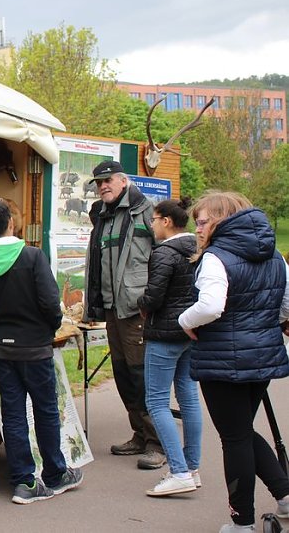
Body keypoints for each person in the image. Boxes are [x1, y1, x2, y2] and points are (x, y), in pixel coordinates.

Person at [178, 191, 289, 532]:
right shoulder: (275, 255)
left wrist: (186, 321)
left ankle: (242, 522)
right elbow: (286, 305)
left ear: (222, 220)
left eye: (202, 221)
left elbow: (211, 306)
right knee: (240, 431)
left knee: (234, 438)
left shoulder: (216, 257)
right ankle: (285, 495)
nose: (197, 228)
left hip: (223, 360)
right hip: (263, 355)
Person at [0, 197, 83, 504]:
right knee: (45, 412)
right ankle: (56, 475)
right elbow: (49, 303)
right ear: (12, 223)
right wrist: (47, 328)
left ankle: (24, 483)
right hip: (36, 349)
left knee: (13, 415)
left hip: (3, 352)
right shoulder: (32, 256)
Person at [84, 160, 165, 469]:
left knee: (142, 376)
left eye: (108, 181)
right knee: (123, 375)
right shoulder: (102, 216)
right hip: (112, 310)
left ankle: (158, 443)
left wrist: (150, 299)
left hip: (136, 310)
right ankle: (139, 435)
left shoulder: (147, 212)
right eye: (99, 182)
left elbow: (165, 258)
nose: (103, 186)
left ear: (123, 181)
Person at [137, 198, 202, 497]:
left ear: (166, 221)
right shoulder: (199, 248)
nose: (151, 224)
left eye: (153, 219)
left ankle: (178, 471)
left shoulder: (164, 252)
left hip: (164, 334)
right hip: (191, 333)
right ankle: (192, 467)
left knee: (157, 402)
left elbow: (154, 296)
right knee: (189, 399)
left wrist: (141, 305)